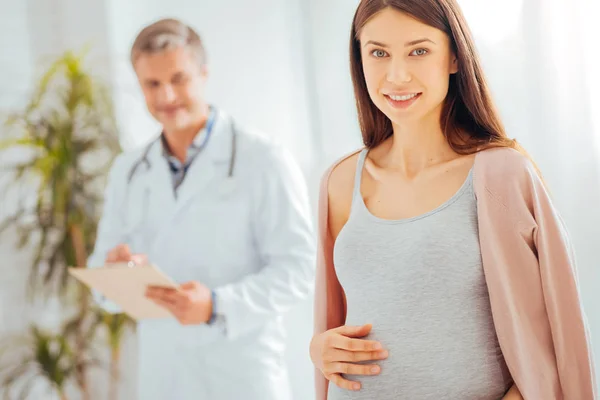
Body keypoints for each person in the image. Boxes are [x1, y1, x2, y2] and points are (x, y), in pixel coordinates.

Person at [309, 1, 596, 399]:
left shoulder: (503, 174)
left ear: (455, 57)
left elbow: (555, 339)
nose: (396, 74)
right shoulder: (339, 181)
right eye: (378, 52)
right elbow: (334, 320)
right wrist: (319, 349)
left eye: (419, 50)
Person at [87, 18, 316, 400]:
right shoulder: (128, 171)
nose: (167, 96)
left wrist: (217, 305)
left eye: (179, 78)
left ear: (204, 73)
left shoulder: (263, 159)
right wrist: (116, 272)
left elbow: (299, 270)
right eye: (152, 84)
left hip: (241, 371)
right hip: (164, 373)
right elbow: (99, 274)